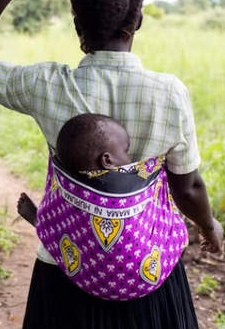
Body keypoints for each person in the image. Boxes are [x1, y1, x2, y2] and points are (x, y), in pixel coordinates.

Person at [0, 0, 223, 329]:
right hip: (147, 265)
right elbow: (188, 187)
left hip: (67, 266)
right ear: (138, 21)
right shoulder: (169, 92)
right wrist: (208, 225)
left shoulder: (46, 85)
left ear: (77, 23)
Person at [16, 113, 205, 303]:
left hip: (84, 271)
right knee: (174, 236)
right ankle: (41, 221)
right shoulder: (132, 179)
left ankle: (41, 221)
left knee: (68, 219)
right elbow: (183, 188)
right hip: (142, 277)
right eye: (126, 150)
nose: (130, 157)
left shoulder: (72, 184)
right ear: (107, 161)